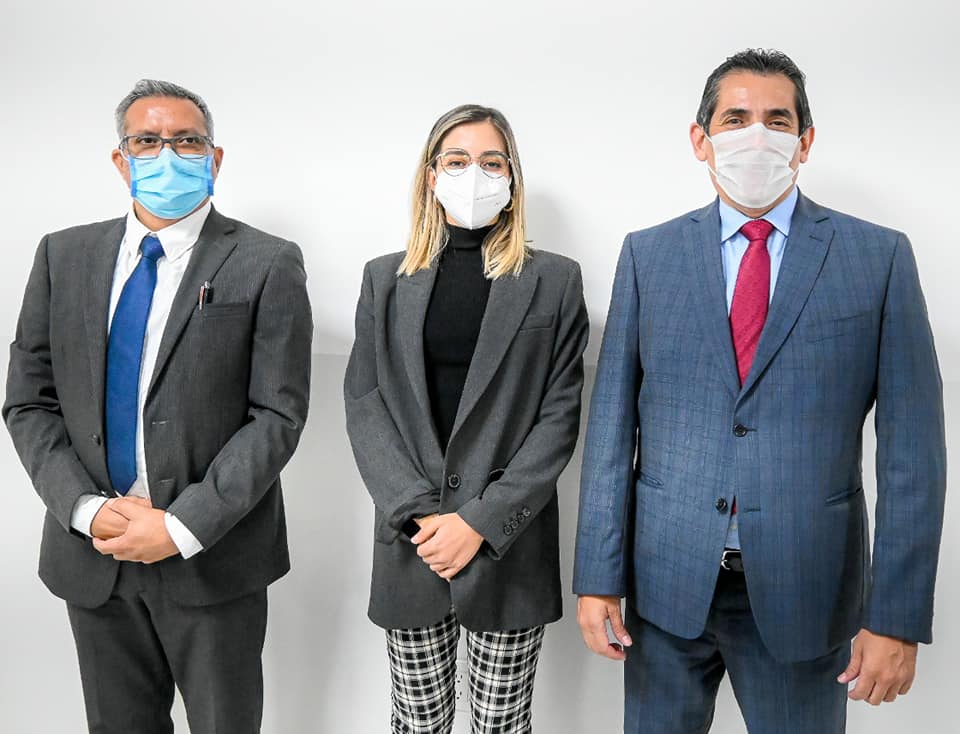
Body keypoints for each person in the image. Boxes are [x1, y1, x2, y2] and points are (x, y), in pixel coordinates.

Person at [573, 48, 946, 733]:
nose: (756, 136)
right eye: (735, 119)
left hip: (808, 589)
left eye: (777, 121)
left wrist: (896, 616)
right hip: (665, 586)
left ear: (805, 141)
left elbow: (913, 457)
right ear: (700, 138)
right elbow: (611, 429)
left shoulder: (878, 258)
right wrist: (598, 575)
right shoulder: (648, 256)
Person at [3, 79, 312, 734]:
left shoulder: (267, 262)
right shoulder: (62, 255)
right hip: (94, 553)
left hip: (213, 556)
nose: (167, 154)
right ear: (122, 160)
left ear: (214, 158)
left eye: (187, 141)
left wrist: (181, 525)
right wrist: (85, 510)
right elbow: (29, 402)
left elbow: (276, 416)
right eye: (147, 141)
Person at [344, 104, 588, 733]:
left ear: (512, 178)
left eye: (491, 162)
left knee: (502, 725)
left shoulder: (555, 281)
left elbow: (558, 418)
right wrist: (420, 515)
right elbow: (365, 404)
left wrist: (477, 522)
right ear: (432, 176)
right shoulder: (384, 279)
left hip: (508, 543)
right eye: (456, 161)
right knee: (416, 722)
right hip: (413, 541)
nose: (473, 174)